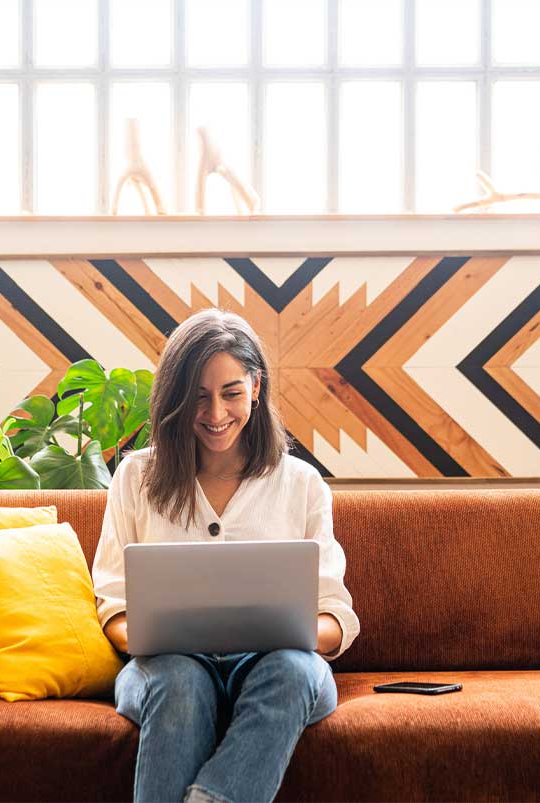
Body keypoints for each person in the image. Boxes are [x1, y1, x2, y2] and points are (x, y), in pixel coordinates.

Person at [92, 308, 361, 803]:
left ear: (256, 387)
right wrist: (149, 637)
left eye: (231, 393)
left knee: (295, 669)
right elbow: (111, 601)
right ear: (175, 398)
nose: (216, 415)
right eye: (198, 397)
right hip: (166, 668)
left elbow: (336, 616)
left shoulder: (301, 485)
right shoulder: (136, 478)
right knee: (178, 680)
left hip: (274, 670)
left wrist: (292, 632)